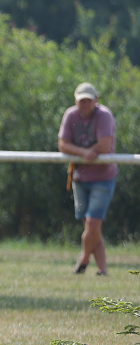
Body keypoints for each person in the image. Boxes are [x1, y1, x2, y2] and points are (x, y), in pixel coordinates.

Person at [58, 82, 117, 276]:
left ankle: (82, 260)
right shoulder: (70, 115)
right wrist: (83, 151)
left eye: (88, 101)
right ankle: (102, 269)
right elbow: (63, 144)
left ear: (95, 101)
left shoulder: (104, 116)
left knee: (92, 224)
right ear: (76, 100)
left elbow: (104, 146)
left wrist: (79, 151)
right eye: (81, 100)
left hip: (103, 177)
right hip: (79, 176)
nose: (85, 104)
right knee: (91, 227)